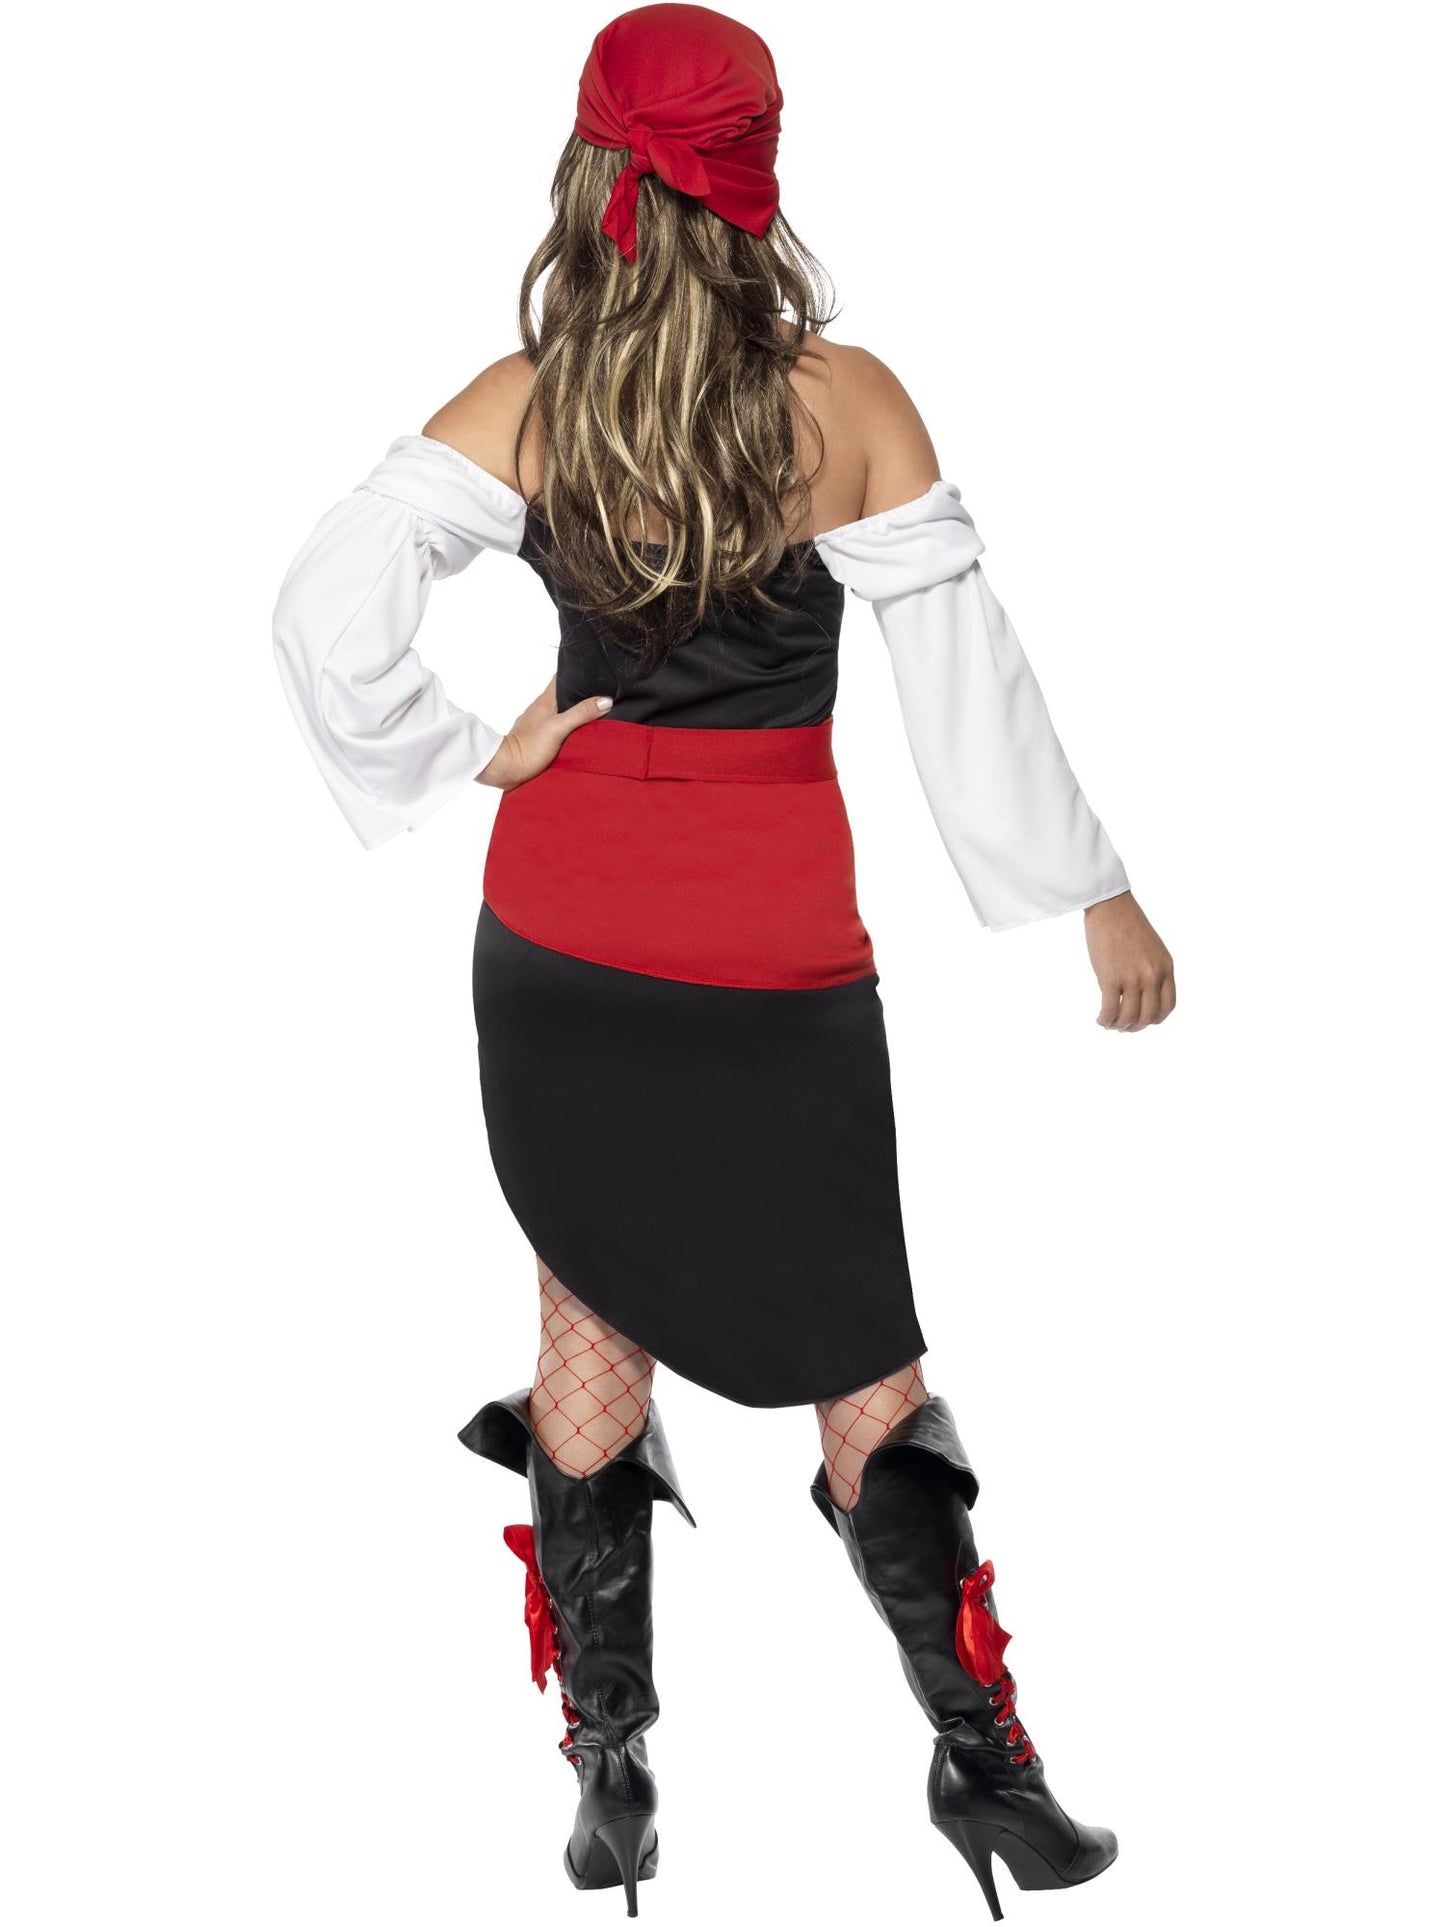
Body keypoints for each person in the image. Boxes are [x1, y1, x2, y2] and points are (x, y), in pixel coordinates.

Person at [271, 6, 1175, 1918]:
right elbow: (965, 680)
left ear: (590, 170)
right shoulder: (844, 401)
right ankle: (989, 1773)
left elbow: (320, 610)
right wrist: (1088, 891)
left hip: (562, 935)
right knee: (863, 1359)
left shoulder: (532, 401)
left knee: (586, 1321)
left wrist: (469, 751)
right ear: (757, 169)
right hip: (773, 940)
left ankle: (611, 1778)